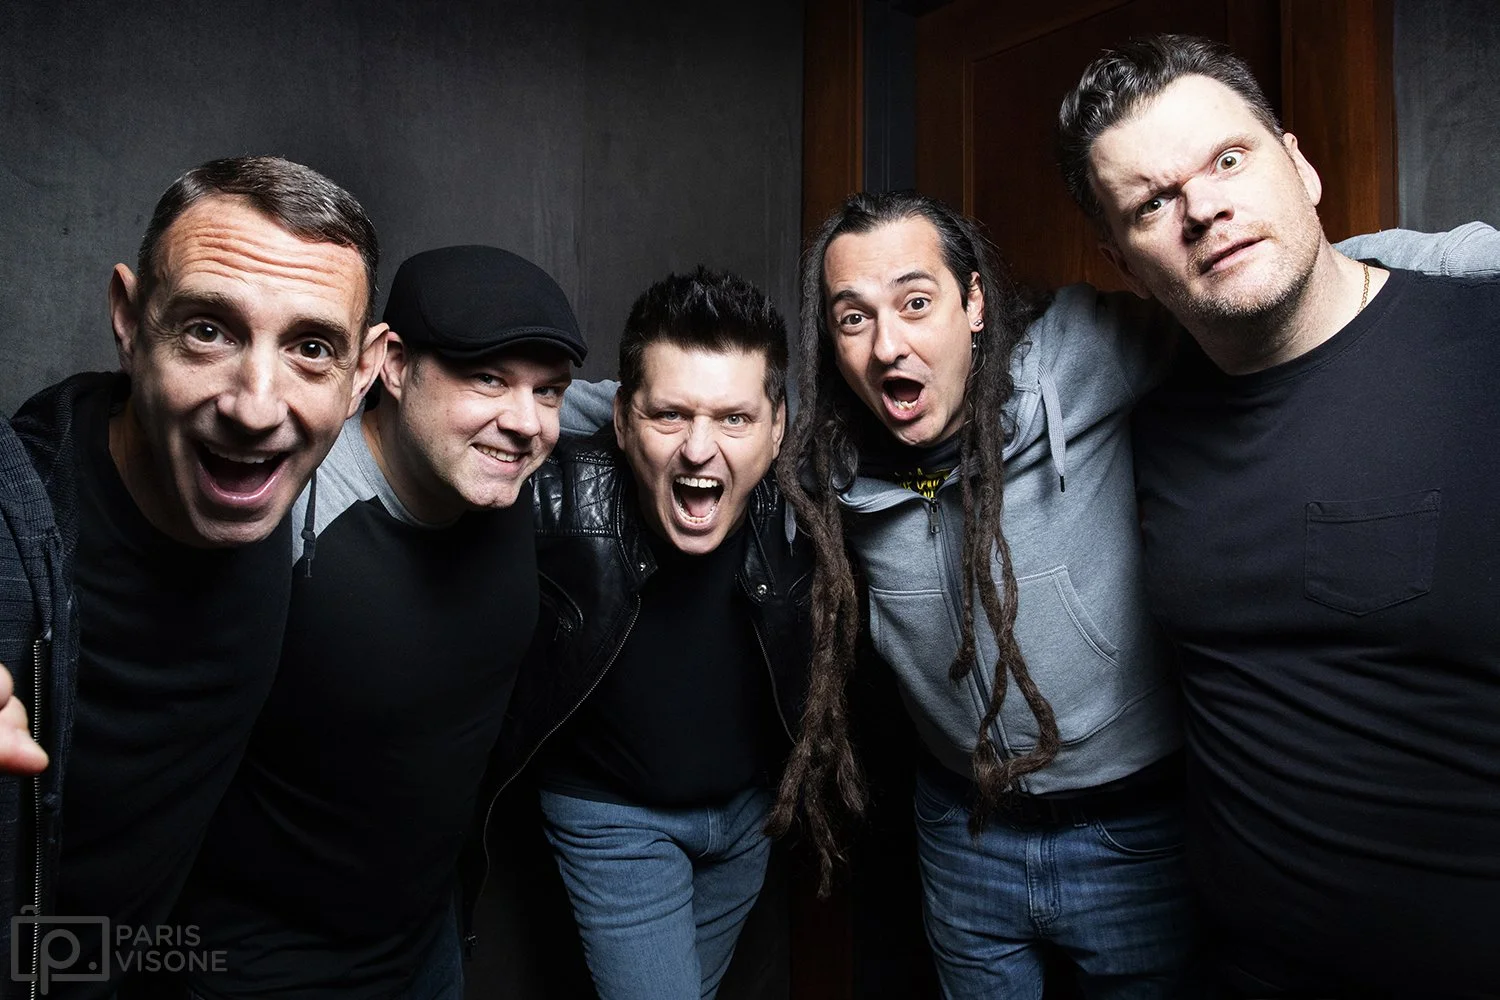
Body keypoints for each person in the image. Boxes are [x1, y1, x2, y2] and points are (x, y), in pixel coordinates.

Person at [771, 184, 1494, 992]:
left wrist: (1465, 257)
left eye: (916, 303)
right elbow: (709, 421)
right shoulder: (824, 460)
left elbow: (1282, 286)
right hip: (961, 830)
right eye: (854, 319)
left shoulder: (1080, 355)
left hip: (1131, 837)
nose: (887, 346)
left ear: (973, 302)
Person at [1058, 33, 1500, 997]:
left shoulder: (1481, 346)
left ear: (1299, 165)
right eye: (1152, 202)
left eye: (1228, 159)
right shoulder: (1148, 428)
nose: (1203, 209)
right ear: (1122, 261)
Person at [0, 155, 386, 997]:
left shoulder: (294, 492)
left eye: (311, 347)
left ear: (364, 374)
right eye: (208, 330)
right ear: (130, 321)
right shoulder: (15, 527)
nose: (255, 406)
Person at [172, 245, 584, 1000]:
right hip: (266, 968)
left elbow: (655, 400)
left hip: (428, 946)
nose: (526, 422)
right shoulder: (286, 515)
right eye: (488, 378)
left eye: (549, 391)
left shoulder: (501, 464)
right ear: (391, 364)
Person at [482, 267, 811, 1000]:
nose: (699, 449)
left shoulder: (806, 502)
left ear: (777, 428)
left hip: (749, 819)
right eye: (670, 416)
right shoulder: (551, 490)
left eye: (734, 419)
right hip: (614, 818)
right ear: (623, 421)